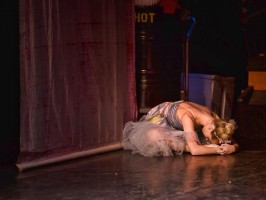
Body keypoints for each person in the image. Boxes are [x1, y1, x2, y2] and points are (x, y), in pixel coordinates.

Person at [122, 100, 239, 156]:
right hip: (160, 120)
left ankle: (198, 143)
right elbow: (195, 151)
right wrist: (218, 149)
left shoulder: (215, 119)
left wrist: (232, 147)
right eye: (217, 140)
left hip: (179, 123)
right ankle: (193, 145)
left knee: (194, 139)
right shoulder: (188, 117)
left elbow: (233, 141)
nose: (219, 143)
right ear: (210, 129)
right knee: (155, 137)